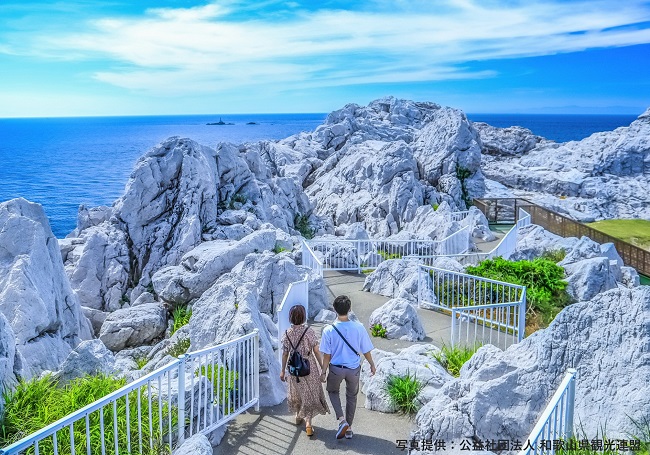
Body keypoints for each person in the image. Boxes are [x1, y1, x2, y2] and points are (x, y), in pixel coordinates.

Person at [319, 295, 376, 440]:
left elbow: (327, 355)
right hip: (353, 369)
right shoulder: (359, 327)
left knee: (332, 391)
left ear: (334, 309)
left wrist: (323, 371)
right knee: (351, 397)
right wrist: (372, 364)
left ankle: (341, 420)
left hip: (336, 369)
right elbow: (366, 350)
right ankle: (349, 428)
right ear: (350, 309)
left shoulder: (328, 330)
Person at [280, 305, 330, 437]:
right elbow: (316, 350)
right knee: (309, 393)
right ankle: (308, 423)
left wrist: (282, 371)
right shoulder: (309, 332)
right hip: (308, 367)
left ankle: (298, 415)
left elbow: (285, 354)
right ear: (303, 317)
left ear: (290, 317)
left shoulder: (287, 333)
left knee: (297, 392)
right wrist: (323, 368)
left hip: (294, 369)